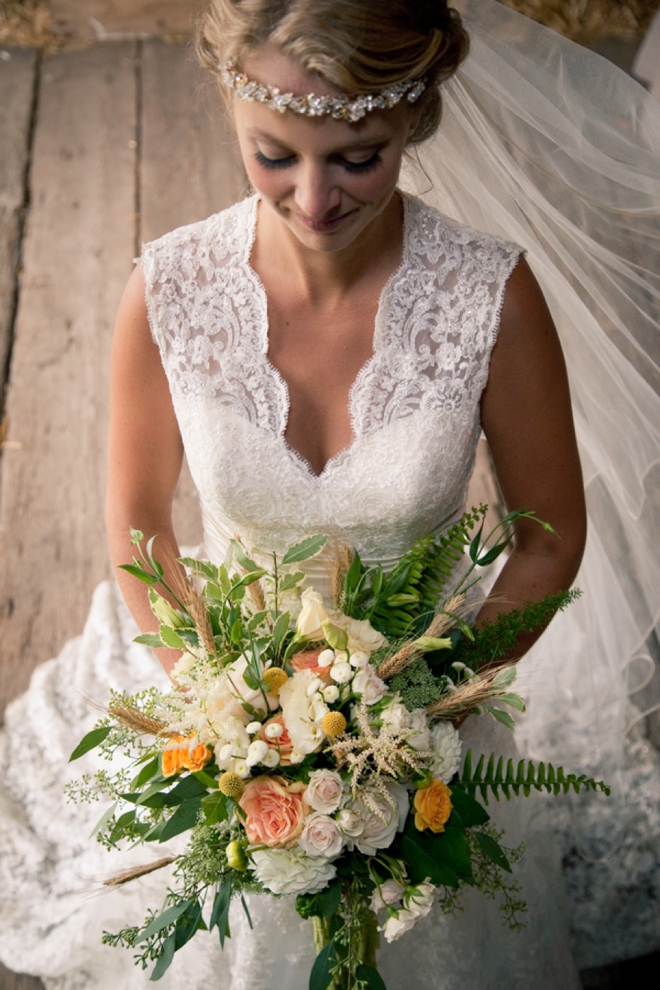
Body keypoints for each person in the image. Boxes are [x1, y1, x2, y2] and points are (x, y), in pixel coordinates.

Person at [0, 1, 658, 988]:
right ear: (231, 106)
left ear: (416, 120)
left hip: (426, 708)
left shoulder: (492, 296)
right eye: (275, 154)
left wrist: (421, 707)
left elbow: (550, 539)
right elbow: (140, 528)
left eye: (359, 157)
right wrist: (226, 712)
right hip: (220, 679)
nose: (312, 199)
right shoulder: (169, 290)